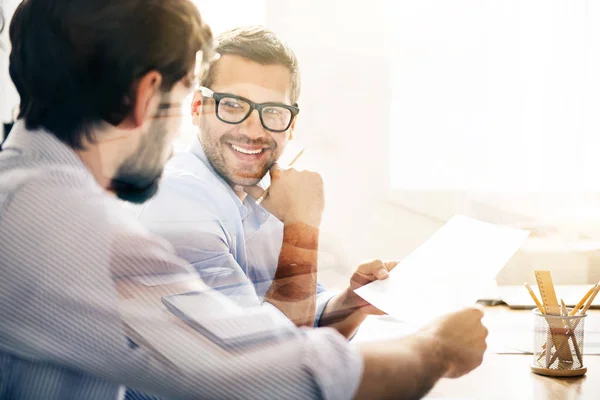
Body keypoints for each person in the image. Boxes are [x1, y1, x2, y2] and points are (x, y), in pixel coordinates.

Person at [0, 1, 487, 399]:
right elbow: (277, 378)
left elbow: (261, 335)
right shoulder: (67, 225)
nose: (250, 128)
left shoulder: (33, 192)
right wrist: (436, 348)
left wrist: (348, 304)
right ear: (150, 96)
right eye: (194, 91)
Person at [134, 26, 396, 336]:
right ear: (197, 108)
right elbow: (276, 352)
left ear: (292, 125)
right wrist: (303, 225)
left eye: (272, 111)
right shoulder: (177, 200)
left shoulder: (264, 194)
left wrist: (352, 303)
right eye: (232, 104)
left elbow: (304, 320)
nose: (253, 130)